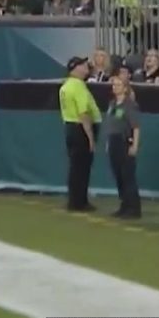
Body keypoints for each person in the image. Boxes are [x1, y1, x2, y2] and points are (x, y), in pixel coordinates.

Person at [59, 56, 101, 211]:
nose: (86, 67)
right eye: (83, 65)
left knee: (75, 167)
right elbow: (84, 114)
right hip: (80, 129)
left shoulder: (66, 86)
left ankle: (74, 200)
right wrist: (90, 137)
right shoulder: (78, 86)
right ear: (75, 68)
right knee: (82, 167)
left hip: (70, 127)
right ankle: (79, 202)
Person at [104, 76, 141, 218]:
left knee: (127, 175)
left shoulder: (129, 105)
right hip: (113, 141)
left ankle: (133, 208)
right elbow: (110, 124)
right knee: (118, 175)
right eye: (114, 85)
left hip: (124, 141)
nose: (115, 87)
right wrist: (108, 142)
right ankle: (124, 205)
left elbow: (136, 126)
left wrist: (135, 145)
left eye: (119, 85)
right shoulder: (112, 104)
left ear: (125, 88)